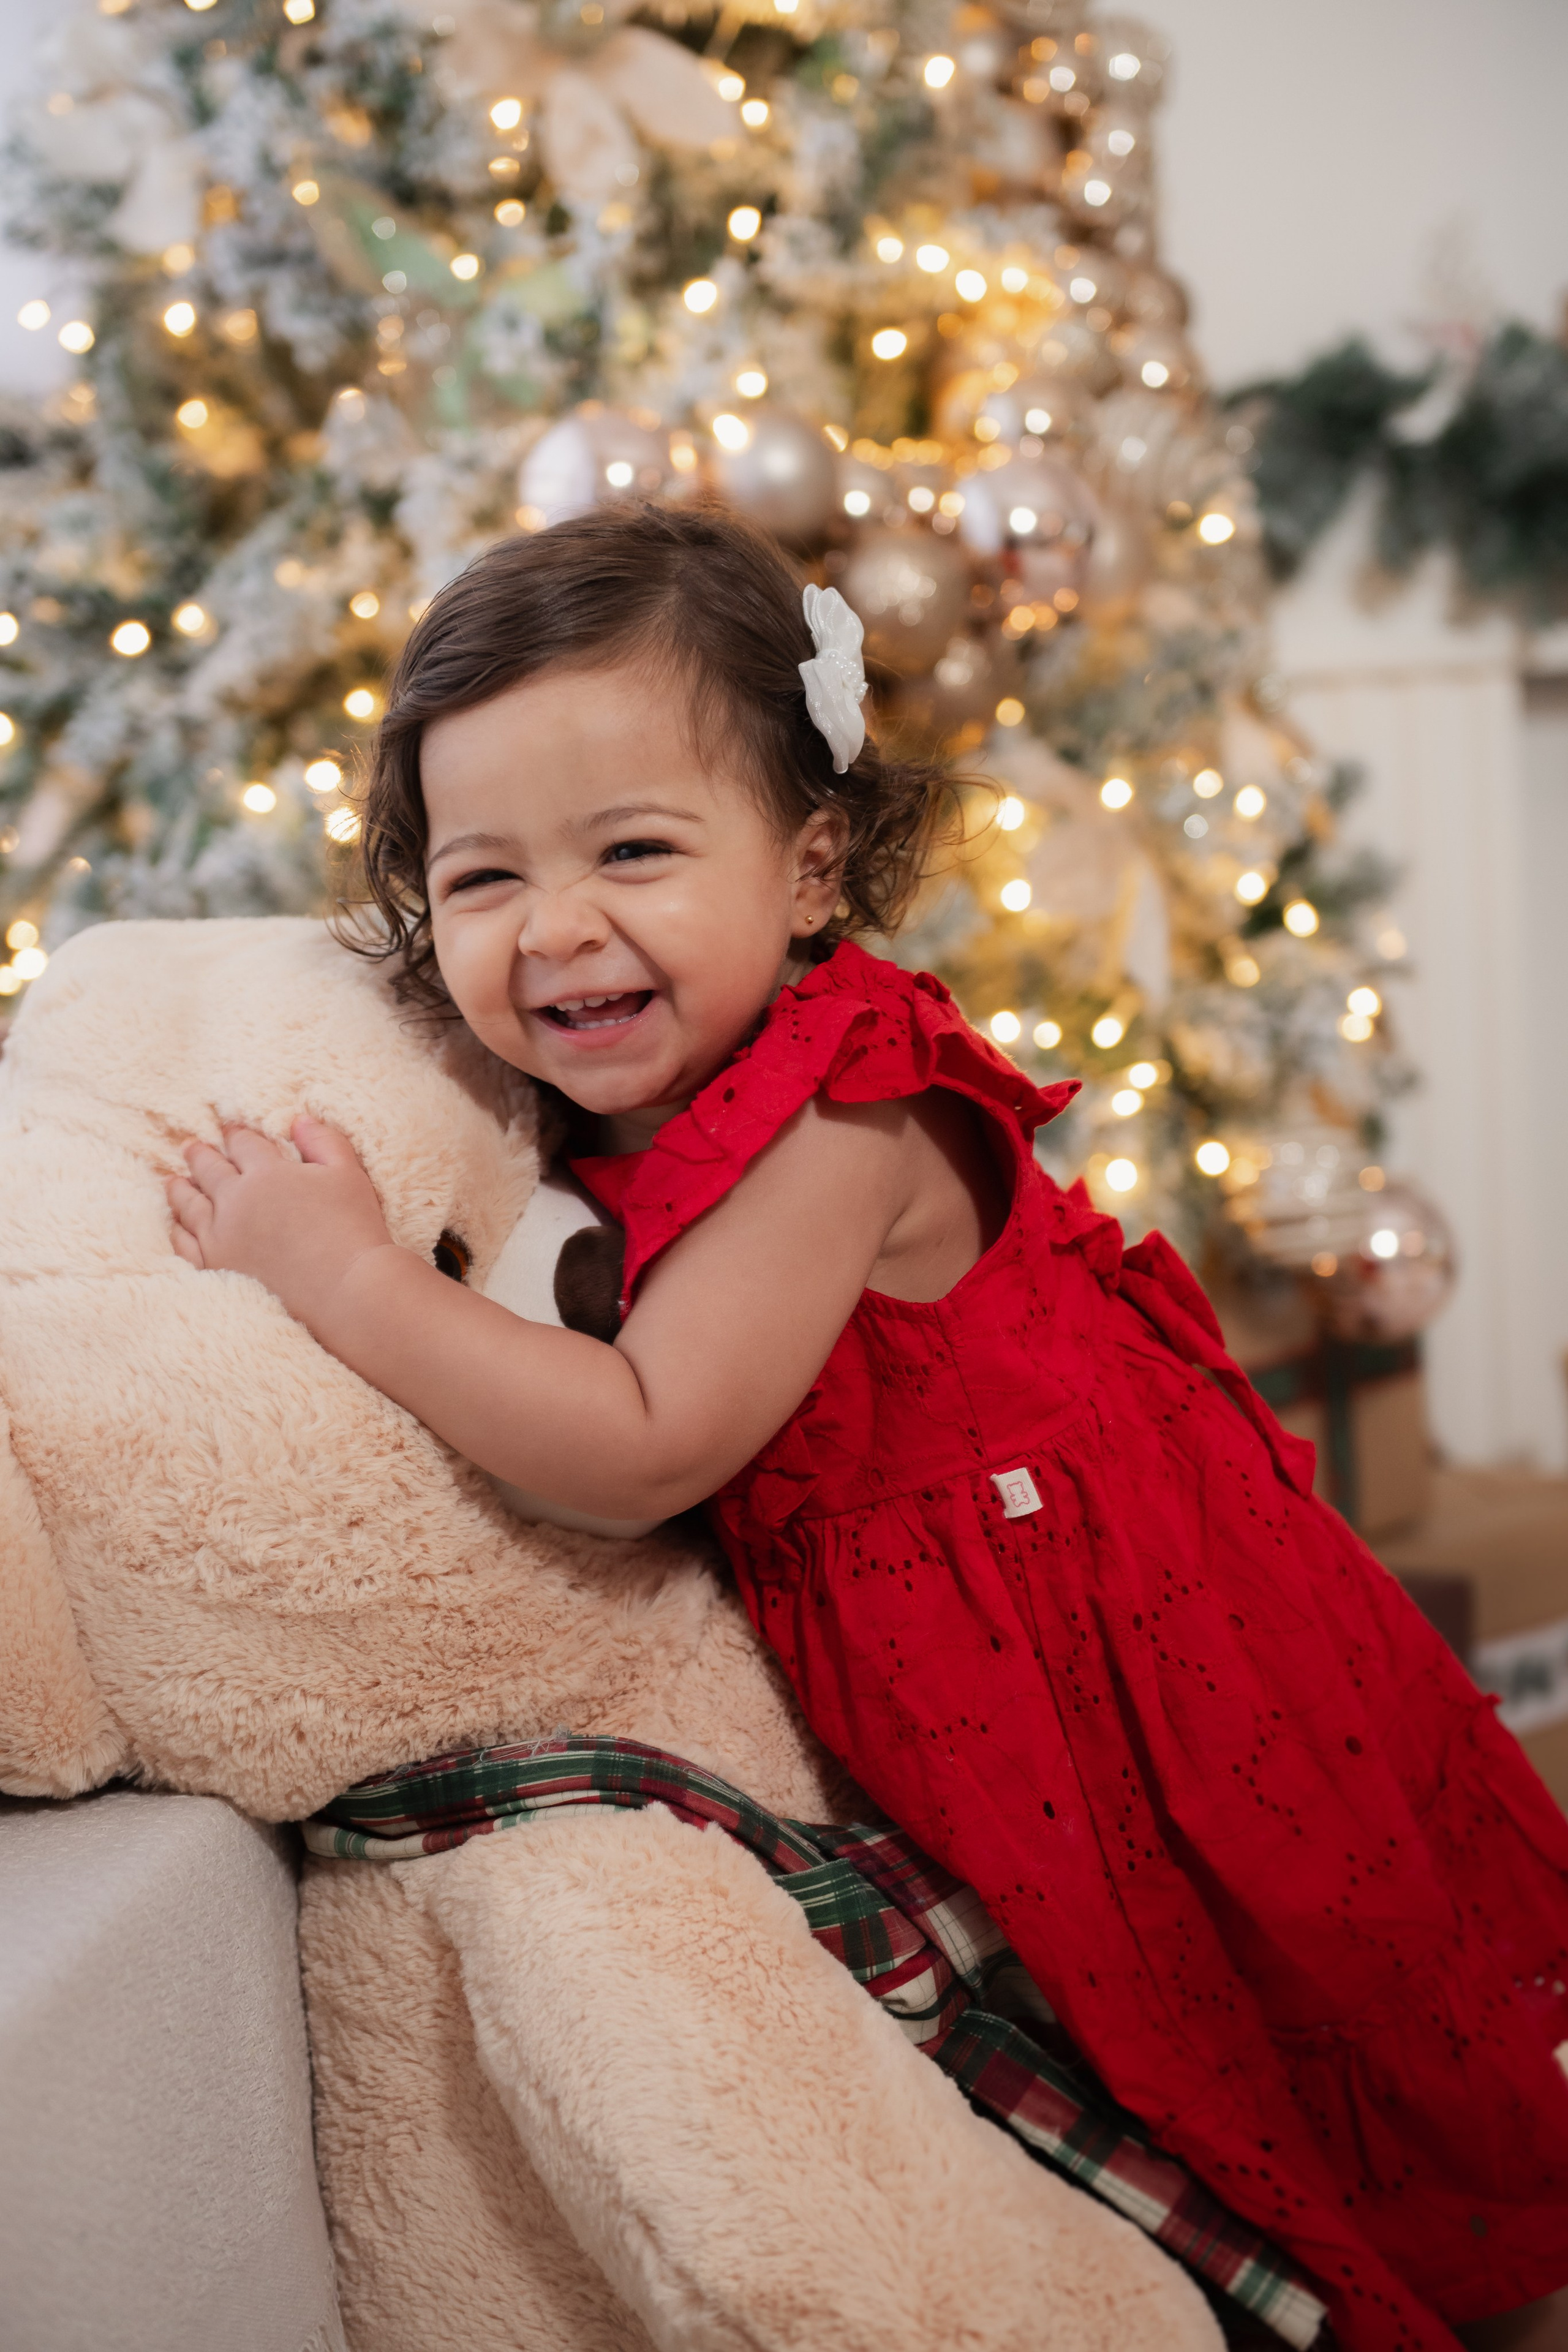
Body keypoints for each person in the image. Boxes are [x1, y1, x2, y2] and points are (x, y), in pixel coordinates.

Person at [165, 503, 1568, 2352]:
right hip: (995, 1670)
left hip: (1142, 1676)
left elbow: (648, 1435)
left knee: (1317, 2046)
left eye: (638, 852)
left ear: (812, 865)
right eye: (484, 878)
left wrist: (345, 1274)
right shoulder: (616, 1104)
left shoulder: (846, 1109)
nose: (558, 927)